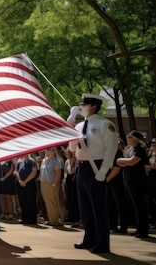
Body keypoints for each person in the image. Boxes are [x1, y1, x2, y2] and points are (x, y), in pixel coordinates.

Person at [67, 93, 117, 254]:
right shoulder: (79, 126)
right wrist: (71, 121)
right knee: (85, 207)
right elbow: (72, 149)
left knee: (98, 207)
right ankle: (88, 239)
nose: (81, 108)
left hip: (97, 165)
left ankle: (102, 242)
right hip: (83, 167)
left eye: (83, 105)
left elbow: (111, 149)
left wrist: (104, 170)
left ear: (93, 106)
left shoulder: (105, 124)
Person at [116, 130, 149, 238]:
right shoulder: (130, 149)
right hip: (128, 179)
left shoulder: (139, 149)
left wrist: (122, 160)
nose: (128, 139)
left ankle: (143, 229)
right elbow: (123, 161)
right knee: (133, 204)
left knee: (139, 205)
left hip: (137, 181)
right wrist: (123, 161)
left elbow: (132, 161)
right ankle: (138, 227)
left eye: (130, 137)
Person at [39, 147, 63, 226]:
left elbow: (58, 173)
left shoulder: (56, 161)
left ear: (54, 152)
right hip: (43, 182)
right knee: (47, 202)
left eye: (49, 150)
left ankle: (54, 221)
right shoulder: (43, 160)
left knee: (53, 202)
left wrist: (55, 183)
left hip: (51, 183)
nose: (47, 152)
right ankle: (50, 219)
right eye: (46, 150)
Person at [14, 153, 37, 225]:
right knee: (22, 201)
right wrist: (19, 180)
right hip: (20, 182)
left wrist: (25, 181)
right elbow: (16, 171)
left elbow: (34, 172)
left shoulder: (32, 161)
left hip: (29, 183)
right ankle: (25, 218)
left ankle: (32, 219)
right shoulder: (19, 161)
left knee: (31, 201)